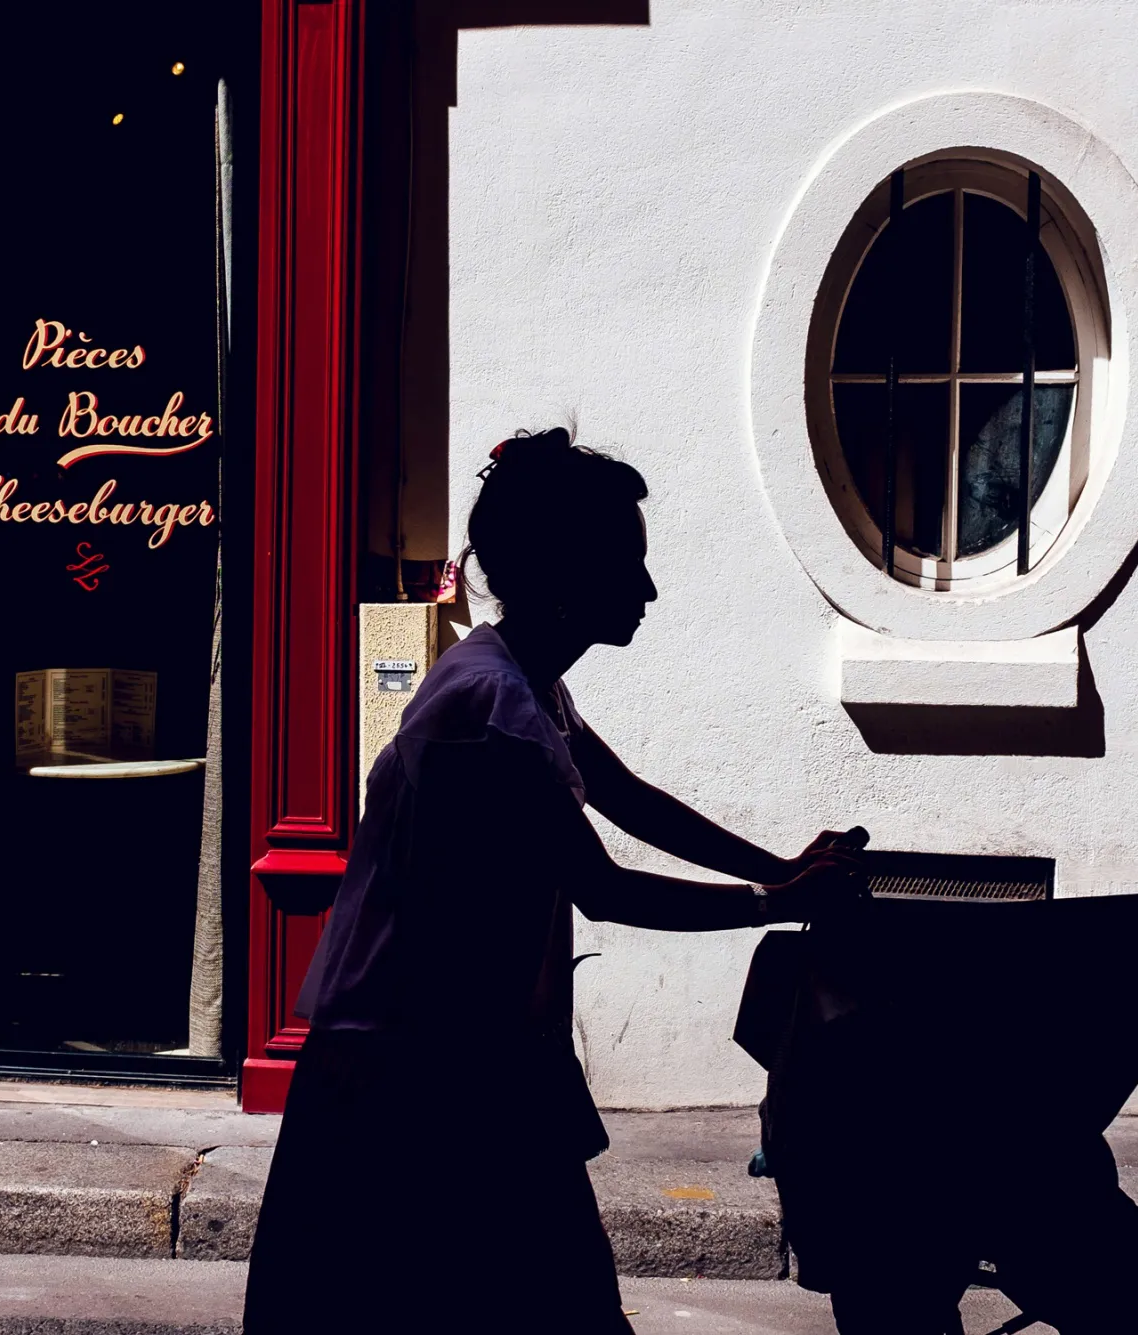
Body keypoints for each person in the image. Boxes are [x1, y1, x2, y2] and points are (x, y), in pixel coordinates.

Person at [242, 428, 867, 1334]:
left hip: (462, 1054)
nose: (650, 591)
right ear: (566, 574)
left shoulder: (526, 685)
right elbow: (603, 886)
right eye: (630, 565)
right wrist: (777, 902)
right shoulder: (484, 712)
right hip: (400, 1071)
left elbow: (630, 797)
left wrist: (779, 867)